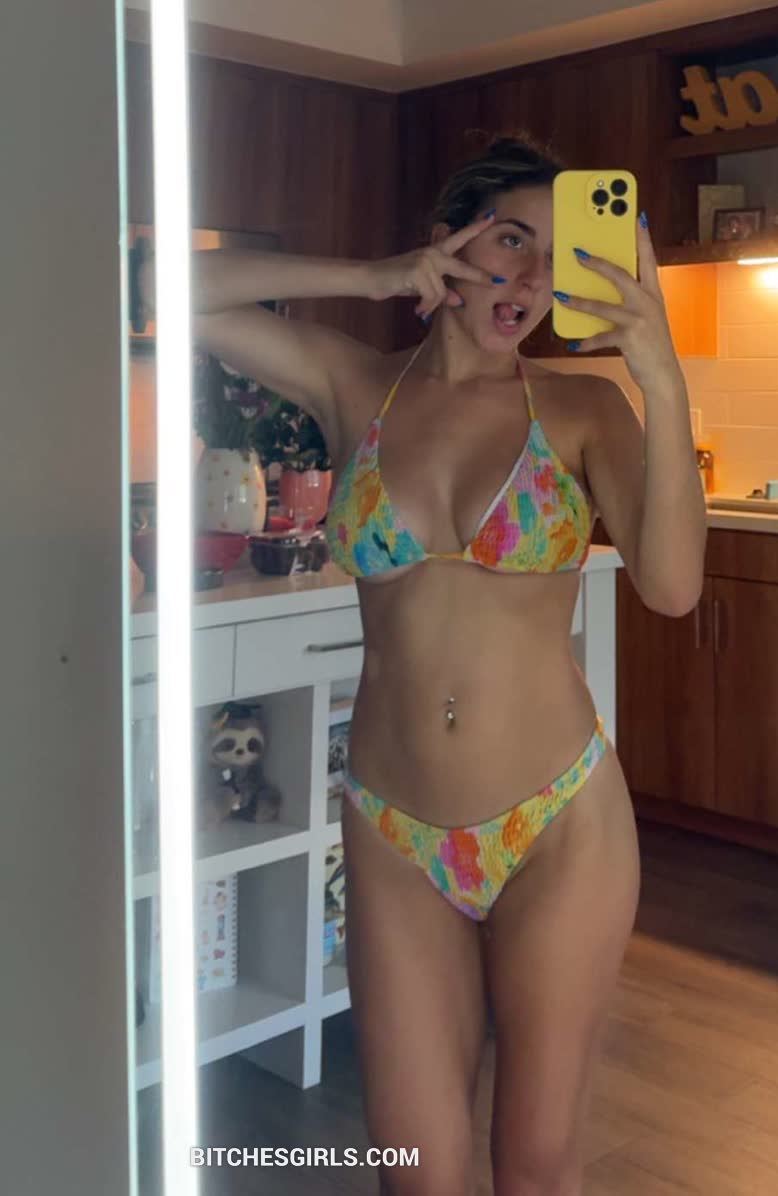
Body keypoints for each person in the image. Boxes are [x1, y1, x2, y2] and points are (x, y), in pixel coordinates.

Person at [189, 134, 706, 1195]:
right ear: (448, 244)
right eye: (510, 241)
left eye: (556, 260)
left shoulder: (582, 408)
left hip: (556, 822)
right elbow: (167, 291)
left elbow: (670, 586)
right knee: (415, 1173)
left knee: (535, 1165)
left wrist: (660, 375)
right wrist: (372, 277)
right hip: (392, 833)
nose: (531, 279)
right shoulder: (354, 384)